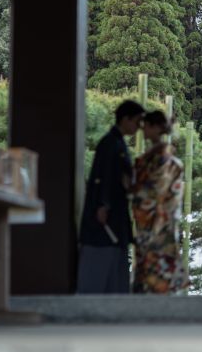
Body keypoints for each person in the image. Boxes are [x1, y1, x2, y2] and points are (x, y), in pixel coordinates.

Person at [77, 100, 145, 294]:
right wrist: (103, 204)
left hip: (115, 213)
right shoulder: (110, 143)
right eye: (137, 121)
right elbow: (102, 176)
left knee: (114, 263)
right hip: (107, 215)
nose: (139, 127)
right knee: (101, 263)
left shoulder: (116, 142)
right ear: (125, 119)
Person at [131, 110, 187, 294]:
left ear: (155, 128)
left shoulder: (162, 158)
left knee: (154, 256)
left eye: (145, 126)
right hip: (154, 215)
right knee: (154, 257)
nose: (142, 130)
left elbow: (157, 190)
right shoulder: (160, 156)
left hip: (156, 216)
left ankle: (155, 293)